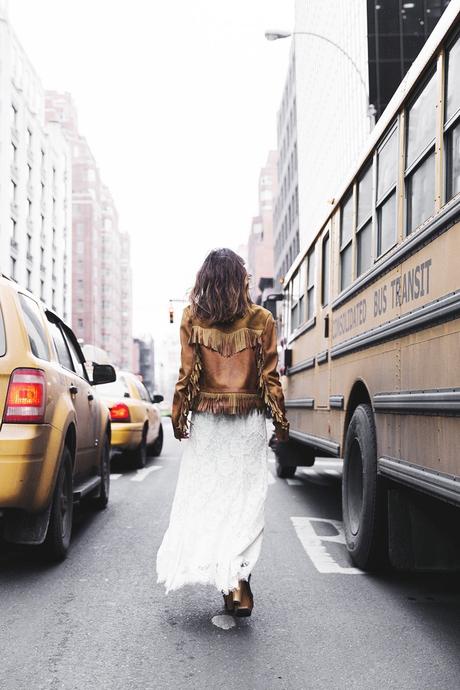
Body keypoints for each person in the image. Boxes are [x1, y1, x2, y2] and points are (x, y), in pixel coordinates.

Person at [156, 248, 289, 617]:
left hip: (209, 425)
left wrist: (179, 417)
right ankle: (238, 585)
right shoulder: (262, 319)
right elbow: (270, 378)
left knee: (211, 501)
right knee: (245, 505)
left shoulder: (191, 318)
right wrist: (280, 422)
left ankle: (228, 579)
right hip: (247, 424)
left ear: (206, 281)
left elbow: (187, 375)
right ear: (241, 280)